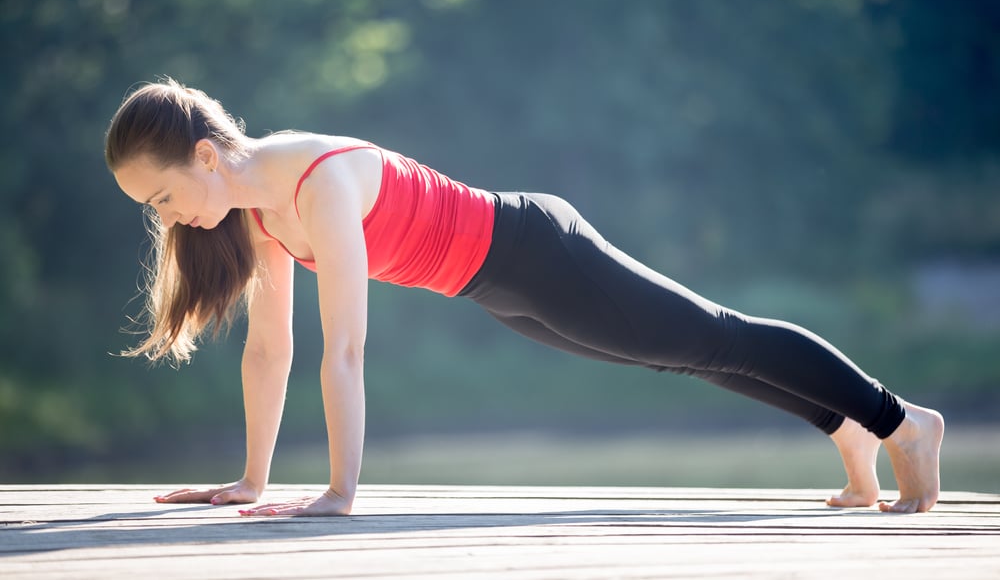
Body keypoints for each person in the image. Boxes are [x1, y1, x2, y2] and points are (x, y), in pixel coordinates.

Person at [105, 78, 944, 517]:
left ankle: (900, 420)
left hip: (536, 251)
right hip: (495, 287)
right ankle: (847, 430)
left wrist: (340, 491)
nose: (167, 218)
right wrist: (253, 480)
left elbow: (347, 348)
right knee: (689, 352)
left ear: (207, 155)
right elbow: (269, 348)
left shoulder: (318, 180)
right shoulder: (257, 215)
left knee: (711, 334)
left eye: (161, 196)